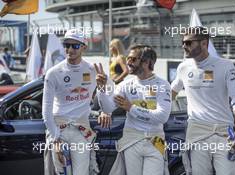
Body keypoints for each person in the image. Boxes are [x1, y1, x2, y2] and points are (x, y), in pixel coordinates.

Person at [171, 26, 235, 175]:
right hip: (197, 132)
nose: (184, 46)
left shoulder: (226, 66)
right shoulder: (183, 67)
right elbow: (170, 94)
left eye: (188, 43)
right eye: (183, 42)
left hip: (223, 133)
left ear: (204, 43)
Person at [96, 44, 171, 175]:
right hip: (132, 139)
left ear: (147, 62)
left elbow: (162, 117)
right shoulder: (126, 85)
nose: (128, 62)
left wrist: (131, 108)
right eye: (128, 58)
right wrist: (102, 89)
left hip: (156, 140)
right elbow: (108, 108)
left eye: (133, 59)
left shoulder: (162, 84)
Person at [42, 28, 98, 175]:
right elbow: (46, 111)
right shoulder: (53, 72)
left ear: (84, 47)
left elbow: (107, 101)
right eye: (66, 45)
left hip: (82, 130)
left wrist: (104, 91)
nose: (70, 49)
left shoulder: (93, 70)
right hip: (59, 129)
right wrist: (56, 139)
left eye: (75, 45)